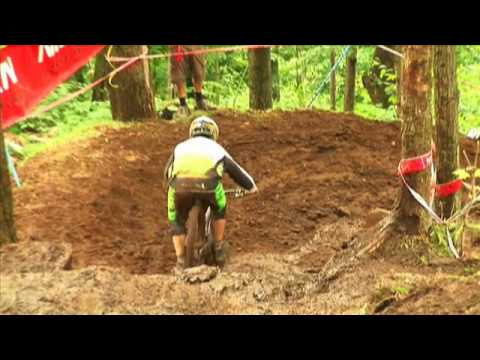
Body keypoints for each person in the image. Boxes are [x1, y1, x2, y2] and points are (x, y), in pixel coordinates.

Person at [164, 116, 257, 271]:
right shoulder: (217, 148)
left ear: (192, 132)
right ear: (213, 133)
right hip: (209, 186)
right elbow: (237, 172)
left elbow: (167, 172)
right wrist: (251, 187)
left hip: (179, 187)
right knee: (219, 207)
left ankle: (180, 259)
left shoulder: (180, 147)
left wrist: (172, 184)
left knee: (176, 218)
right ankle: (219, 246)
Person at [169, 45, 215, 117]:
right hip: (179, 47)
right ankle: (183, 105)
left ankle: (200, 100)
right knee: (179, 74)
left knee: (199, 71)